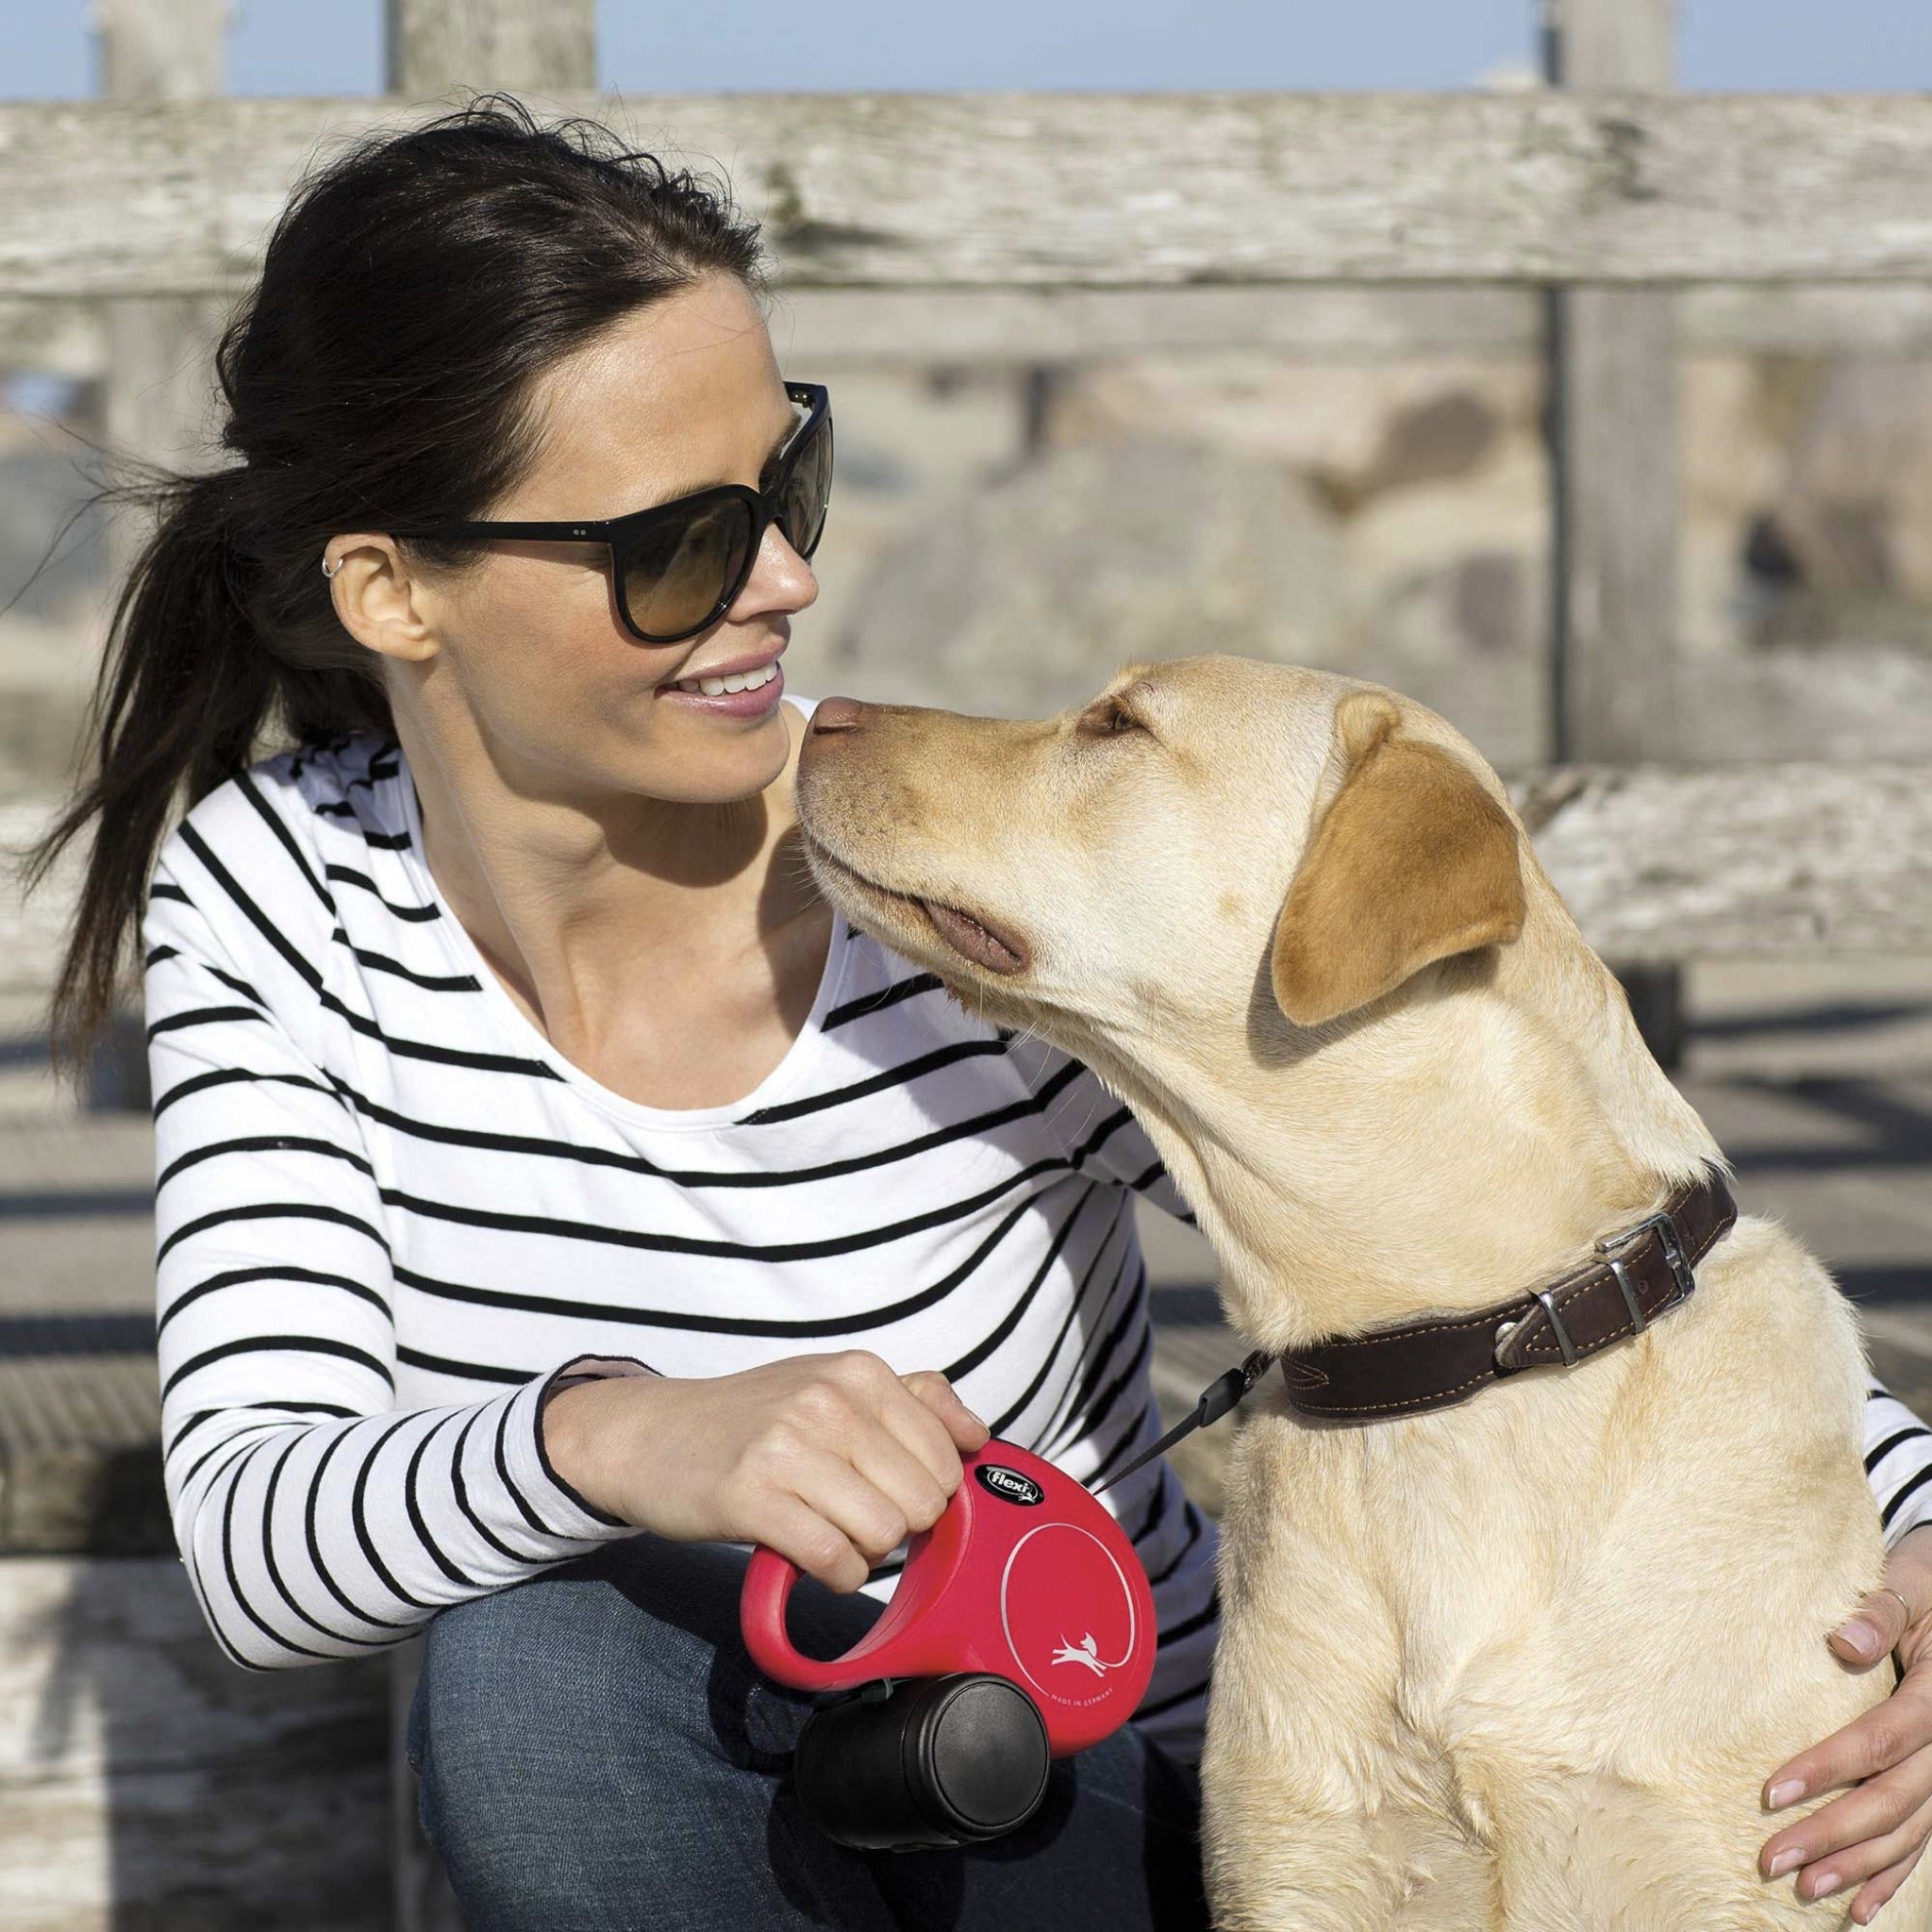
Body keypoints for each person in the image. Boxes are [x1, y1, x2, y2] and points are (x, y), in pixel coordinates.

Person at [25, 96, 1932, 1931]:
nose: (786, 579)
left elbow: (1485, 1213)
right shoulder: (284, 900)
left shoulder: (949, 890)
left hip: (1109, 1818)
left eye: (791, 477)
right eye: (674, 543)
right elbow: (259, 1536)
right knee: (538, 1679)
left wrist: (1915, 1531)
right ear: (394, 590)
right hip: (681, 1816)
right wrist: (624, 1439)